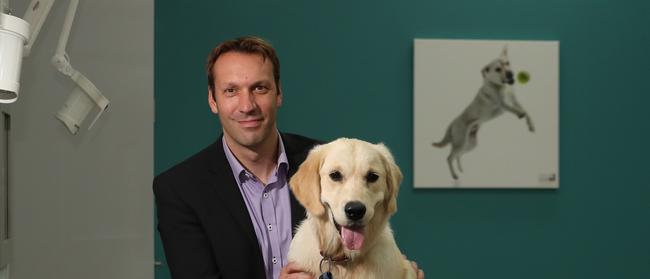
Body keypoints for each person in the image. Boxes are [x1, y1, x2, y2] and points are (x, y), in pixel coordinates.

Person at [154, 36, 424, 279]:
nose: (247, 106)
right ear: (213, 100)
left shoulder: (325, 161)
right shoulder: (180, 189)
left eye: (260, 88)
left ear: (278, 93)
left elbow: (373, 243)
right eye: (231, 91)